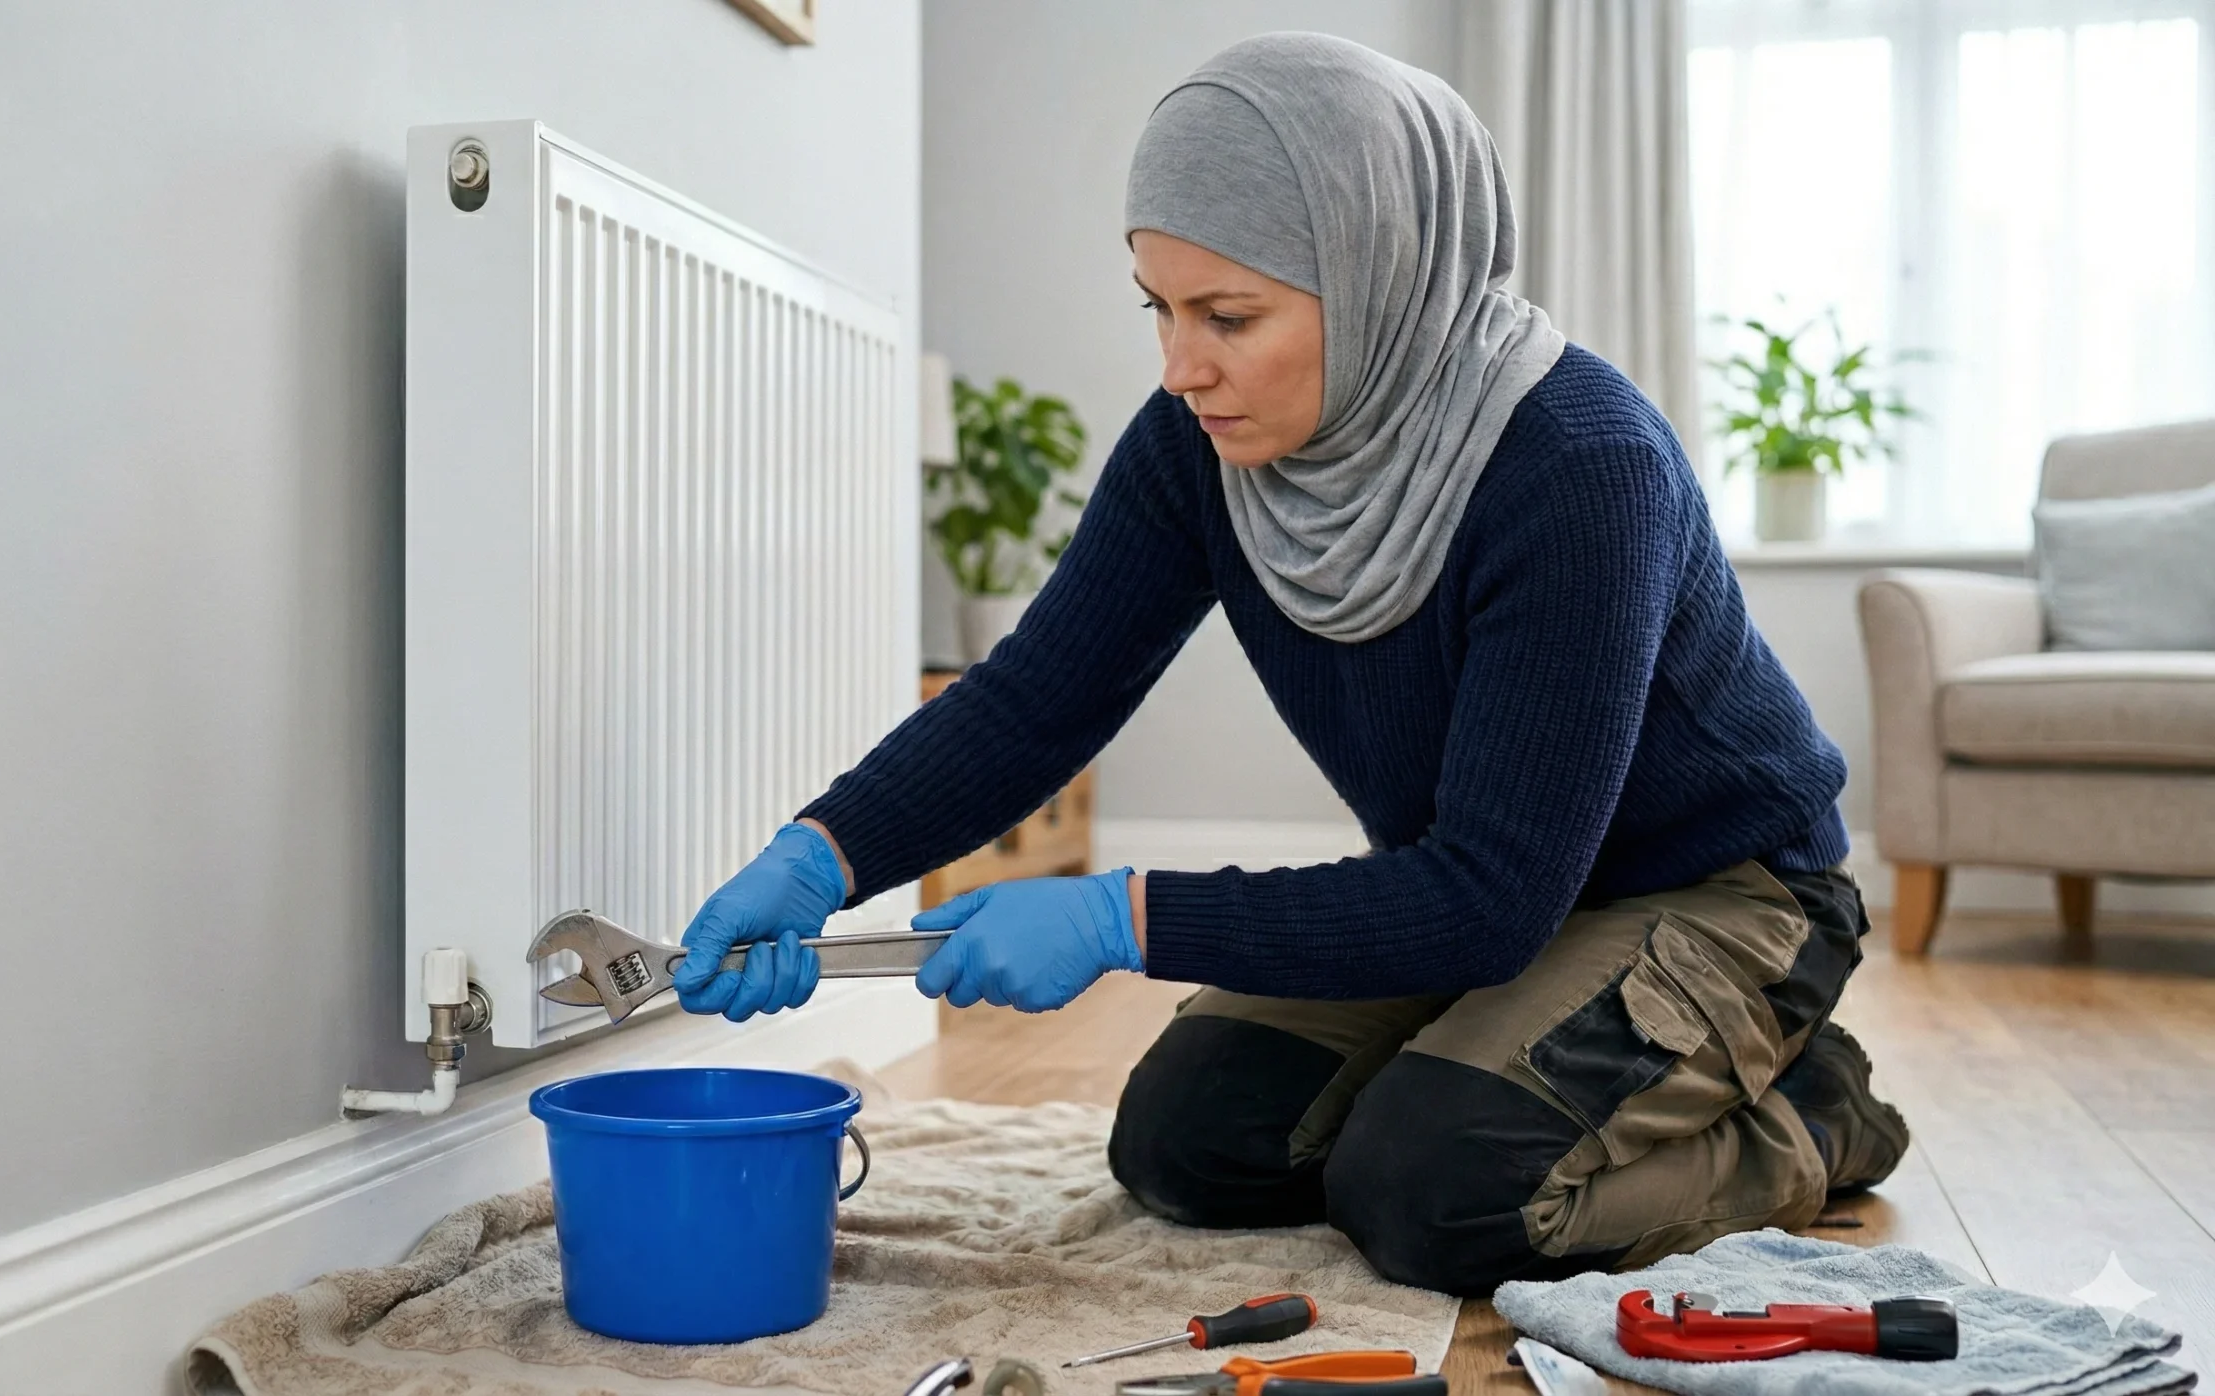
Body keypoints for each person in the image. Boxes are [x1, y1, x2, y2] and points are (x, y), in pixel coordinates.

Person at [666, 32, 1909, 1298]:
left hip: (1719, 895)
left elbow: (1490, 896)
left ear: (1377, 273)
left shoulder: (1579, 464)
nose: (1179, 366)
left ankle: (1804, 1114)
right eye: (1157, 307)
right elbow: (1038, 697)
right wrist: (822, 854)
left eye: (1228, 316)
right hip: (1495, 887)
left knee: (1434, 1190)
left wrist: (1122, 917)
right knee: (1186, 1145)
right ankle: (1509, 1058)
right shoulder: (1193, 445)